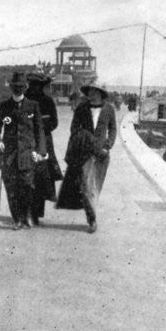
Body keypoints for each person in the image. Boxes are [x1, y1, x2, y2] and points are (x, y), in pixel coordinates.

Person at [56, 83, 117, 233]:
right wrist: (84, 138)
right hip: (85, 153)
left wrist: (107, 146)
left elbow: (113, 129)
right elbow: (74, 128)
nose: (92, 94)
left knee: (95, 186)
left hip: (101, 154)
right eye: (90, 92)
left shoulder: (109, 109)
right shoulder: (81, 108)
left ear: (101, 94)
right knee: (86, 185)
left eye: (95, 92)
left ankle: (92, 215)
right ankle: (92, 220)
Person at [0, 72, 46, 230]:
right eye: (15, 87)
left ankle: (26, 215)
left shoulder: (33, 106)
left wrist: (39, 151)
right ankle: (17, 219)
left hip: (27, 154)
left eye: (21, 87)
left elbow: (39, 130)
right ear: (11, 88)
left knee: (28, 186)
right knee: (12, 189)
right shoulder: (5, 106)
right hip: (9, 156)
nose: (18, 89)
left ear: (25, 87)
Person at [23, 70, 61, 226]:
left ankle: (37, 212)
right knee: (26, 175)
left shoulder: (48, 101)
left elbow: (55, 122)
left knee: (42, 176)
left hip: (44, 142)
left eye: (37, 85)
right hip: (26, 141)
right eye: (32, 85)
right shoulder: (24, 100)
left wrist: (42, 127)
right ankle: (28, 212)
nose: (34, 88)